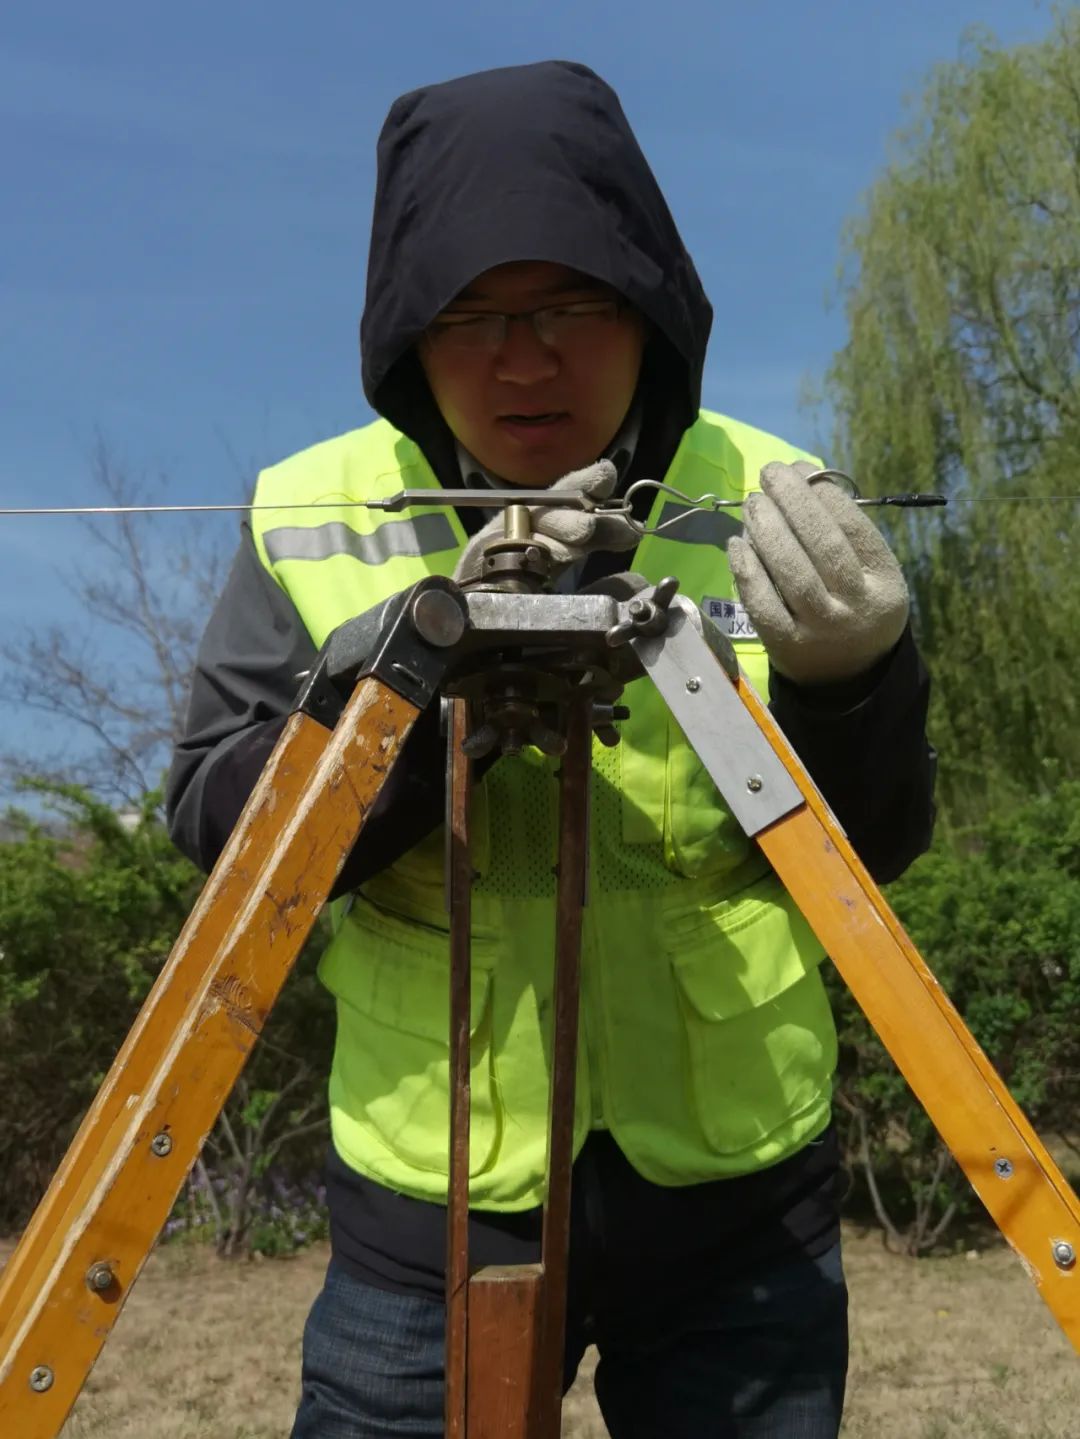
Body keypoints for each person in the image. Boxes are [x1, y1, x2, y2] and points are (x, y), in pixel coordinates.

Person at [166, 60, 935, 1439]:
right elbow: (215, 831)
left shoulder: (775, 497)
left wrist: (856, 680)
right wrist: (419, 700)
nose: (524, 356)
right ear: (406, 334)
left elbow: (873, 850)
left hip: (739, 1188)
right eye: (468, 315)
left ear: (651, 308)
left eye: (573, 304)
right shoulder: (311, 511)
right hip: (427, 1196)